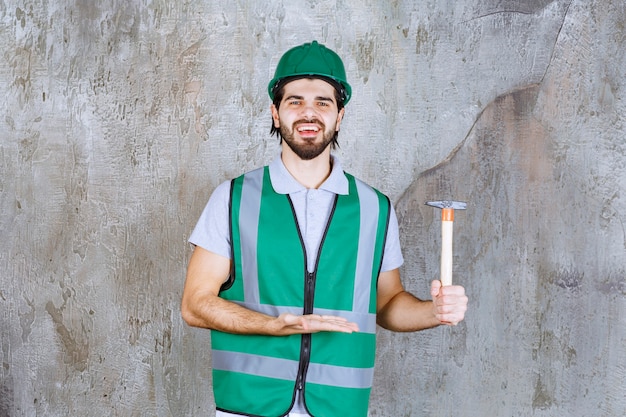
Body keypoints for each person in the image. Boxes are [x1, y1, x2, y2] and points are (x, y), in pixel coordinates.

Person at [181, 40, 468, 417]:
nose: (308, 113)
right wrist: (272, 326)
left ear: (340, 115)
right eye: (295, 101)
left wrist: (435, 312)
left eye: (323, 102)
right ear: (275, 112)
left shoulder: (374, 209)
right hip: (248, 406)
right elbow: (195, 305)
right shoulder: (233, 198)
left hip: (339, 408)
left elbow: (387, 304)